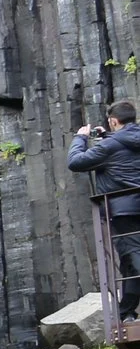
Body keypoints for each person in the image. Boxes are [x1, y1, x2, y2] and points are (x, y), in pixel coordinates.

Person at [70, 100, 140, 320]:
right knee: (129, 263)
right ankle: (126, 312)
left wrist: (80, 138)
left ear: (113, 121)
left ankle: (126, 313)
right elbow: (122, 146)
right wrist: (107, 136)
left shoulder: (110, 146)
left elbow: (76, 162)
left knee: (134, 259)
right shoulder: (124, 139)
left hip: (123, 212)